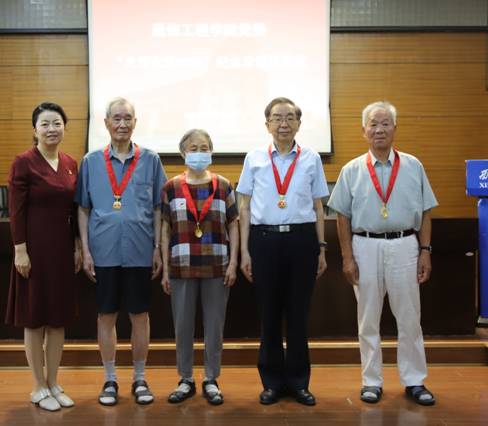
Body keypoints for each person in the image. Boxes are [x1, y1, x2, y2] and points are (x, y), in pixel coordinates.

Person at [327, 101, 438, 406]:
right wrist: (347, 257)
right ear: (364, 130)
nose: (379, 129)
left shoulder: (413, 166)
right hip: (365, 246)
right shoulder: (351, 170)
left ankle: (414, 380)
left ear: (395, 129)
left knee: (410, 317)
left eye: (385, 123)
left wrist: (425, 251)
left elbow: (426, 212)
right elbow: (341, 217)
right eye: (373, 124)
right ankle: (371, 381)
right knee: (368, 318)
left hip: (405, 245)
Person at [237, 97, 329, 405]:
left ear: (299, 124)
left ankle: (299, 382)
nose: (283, 124)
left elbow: (318, 207)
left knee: (299, 314)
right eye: (277, 118)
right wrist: (245, 252)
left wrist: (321, 248)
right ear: (267, 124)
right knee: (269, 314)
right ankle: (272, 382)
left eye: (290, 118)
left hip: (302, 241)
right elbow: (244, 206)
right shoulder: (254, 158)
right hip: (264, 241)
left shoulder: (311, 158)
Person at [75, 97, 166, 406]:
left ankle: (140, 378)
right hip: (104, 251)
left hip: (140, 250)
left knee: (140, 315)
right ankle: (110, 379)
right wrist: (86, 250)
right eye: (116, 118)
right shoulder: (90, 162)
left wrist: (158, 248)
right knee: (106, 315)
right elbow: (83, 209)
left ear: (135, 122)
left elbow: (158, 207)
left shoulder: (151, 160)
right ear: (106, 123)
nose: (122, 124)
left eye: (128, 118)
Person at [6, 102, 81, 412]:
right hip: (34, 251)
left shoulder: (71, 163)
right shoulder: (23, 162)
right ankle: (38, 386)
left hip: (61, 250)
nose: (52, 129)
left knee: (58, 320)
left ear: (65, 127)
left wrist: (77, 245)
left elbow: (74, 209)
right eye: (45, 124)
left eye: (57, 123)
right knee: (35, 320)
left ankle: (53, 381)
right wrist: (20, 250)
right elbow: (16, 211)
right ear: (35, 129)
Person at [161, 129, 239, 405]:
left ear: (211, 151)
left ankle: (211, 378)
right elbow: (165, 228)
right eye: (193, 148)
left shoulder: (223, 185)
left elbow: (234, 224)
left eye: (204, 147)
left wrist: (233, 263)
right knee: (182, 325)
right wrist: (165, 269)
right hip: (181, 266)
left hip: (217, 266)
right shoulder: (171, 187)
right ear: (183, 153)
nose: (199, 152)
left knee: (214, 326)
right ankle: (185, 378)